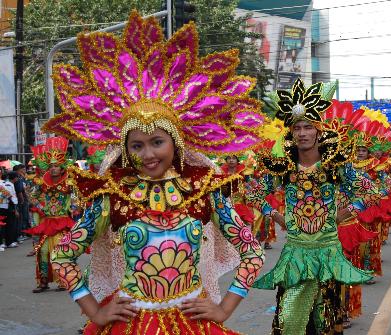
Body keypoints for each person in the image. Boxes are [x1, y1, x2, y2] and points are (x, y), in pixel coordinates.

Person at [46, 12, 265, 334]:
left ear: (175, 142)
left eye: (157, 142)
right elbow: (62, 256)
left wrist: (223, 308)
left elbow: (253, 253)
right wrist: (96, 312)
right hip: (131, 324)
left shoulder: (203, 190)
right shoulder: (112, 197)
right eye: (137, 145)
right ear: (125, 148)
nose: (148, 154)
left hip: (195, 323)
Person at [246, 80, 380, 334]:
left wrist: (345, 213)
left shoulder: (335, 166)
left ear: (319, 131)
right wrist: (275, 215)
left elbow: (371, 191)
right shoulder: (284, 168)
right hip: (295, 254)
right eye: (297, 128)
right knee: (289, 318)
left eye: (308, 127)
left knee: (324, 320)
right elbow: (253, 193)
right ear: (291, 133)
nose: (302, 133)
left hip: (327, 254)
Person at [24, 137, 76, 293]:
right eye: (51, 166)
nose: (53, 169)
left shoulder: (69, 182)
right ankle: (43, 281)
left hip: (62, 221)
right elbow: (32, 196)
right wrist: (41, 207)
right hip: (47, 222)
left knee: (60, 251)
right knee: (43, 251)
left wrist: (74, 206)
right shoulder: (42, 182)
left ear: (62, 168)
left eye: (57, 166)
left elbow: (77, 197)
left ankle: (62, 280)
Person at [0, 169, 19, 250]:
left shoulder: (7, 183)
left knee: (7, 225)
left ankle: (7, 242)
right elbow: (11, 196)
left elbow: (13, 196)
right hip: (3, 207)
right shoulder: (5, 184)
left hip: (6, 206)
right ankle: (4, 243)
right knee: (4, 225)